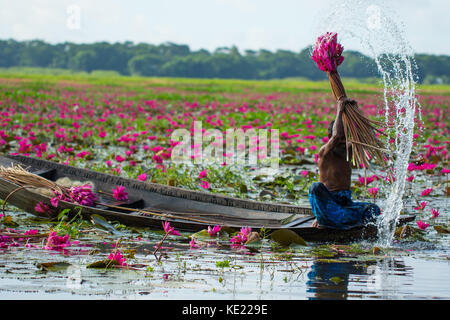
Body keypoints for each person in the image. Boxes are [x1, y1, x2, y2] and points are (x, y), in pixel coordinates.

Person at [308, 97, 381, 229]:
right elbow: (336, 137)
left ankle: (338, 221)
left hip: (345, 204)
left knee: (373, 209)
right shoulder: (325, 152)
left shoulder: (348, 149)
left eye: (345, 138)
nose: (342, 142)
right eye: (340, 139)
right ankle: (323, 218)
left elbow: (370, 138)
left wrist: (356, 113)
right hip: (329, 203)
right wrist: (340, 110)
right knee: (315, 187)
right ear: (330, 138)